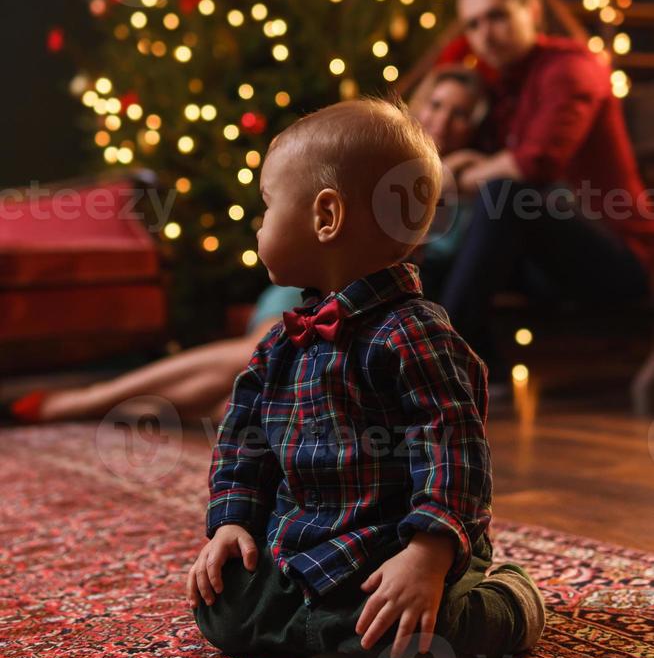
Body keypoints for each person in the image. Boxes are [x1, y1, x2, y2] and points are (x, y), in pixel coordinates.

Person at [187, 94, 545, 658]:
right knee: (222, 607)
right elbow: (243, 441)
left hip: (393, 546)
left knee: (421, 637)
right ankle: (322, 622)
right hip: (308, 545)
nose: (259, 225)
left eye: (267, 207)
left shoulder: (414, 332)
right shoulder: (280, 344)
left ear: (325, 217)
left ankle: (507, 594)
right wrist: (231, 522)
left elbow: (453, 446)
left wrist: (428, 556)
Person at [2, 69, 490, 426]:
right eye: (438, 104)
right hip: (317, 287)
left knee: (252, 390)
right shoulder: (358, 156)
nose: (446, 120)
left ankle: (120, 404)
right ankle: (95, 400)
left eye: (461, 114)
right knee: (259, 354)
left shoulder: (460, 200)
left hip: (371, 305)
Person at [421, 0, 654, 381]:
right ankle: (475, 374)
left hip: (622, 260)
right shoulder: (502, 86)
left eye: (497, 16)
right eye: (472, 24)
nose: (484, 35)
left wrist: (452, 176)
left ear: (531, 11)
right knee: (433, 259)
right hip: (541, 266)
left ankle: (438, 365)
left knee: (506, 195)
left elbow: (537, 162)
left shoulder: (570, 68)